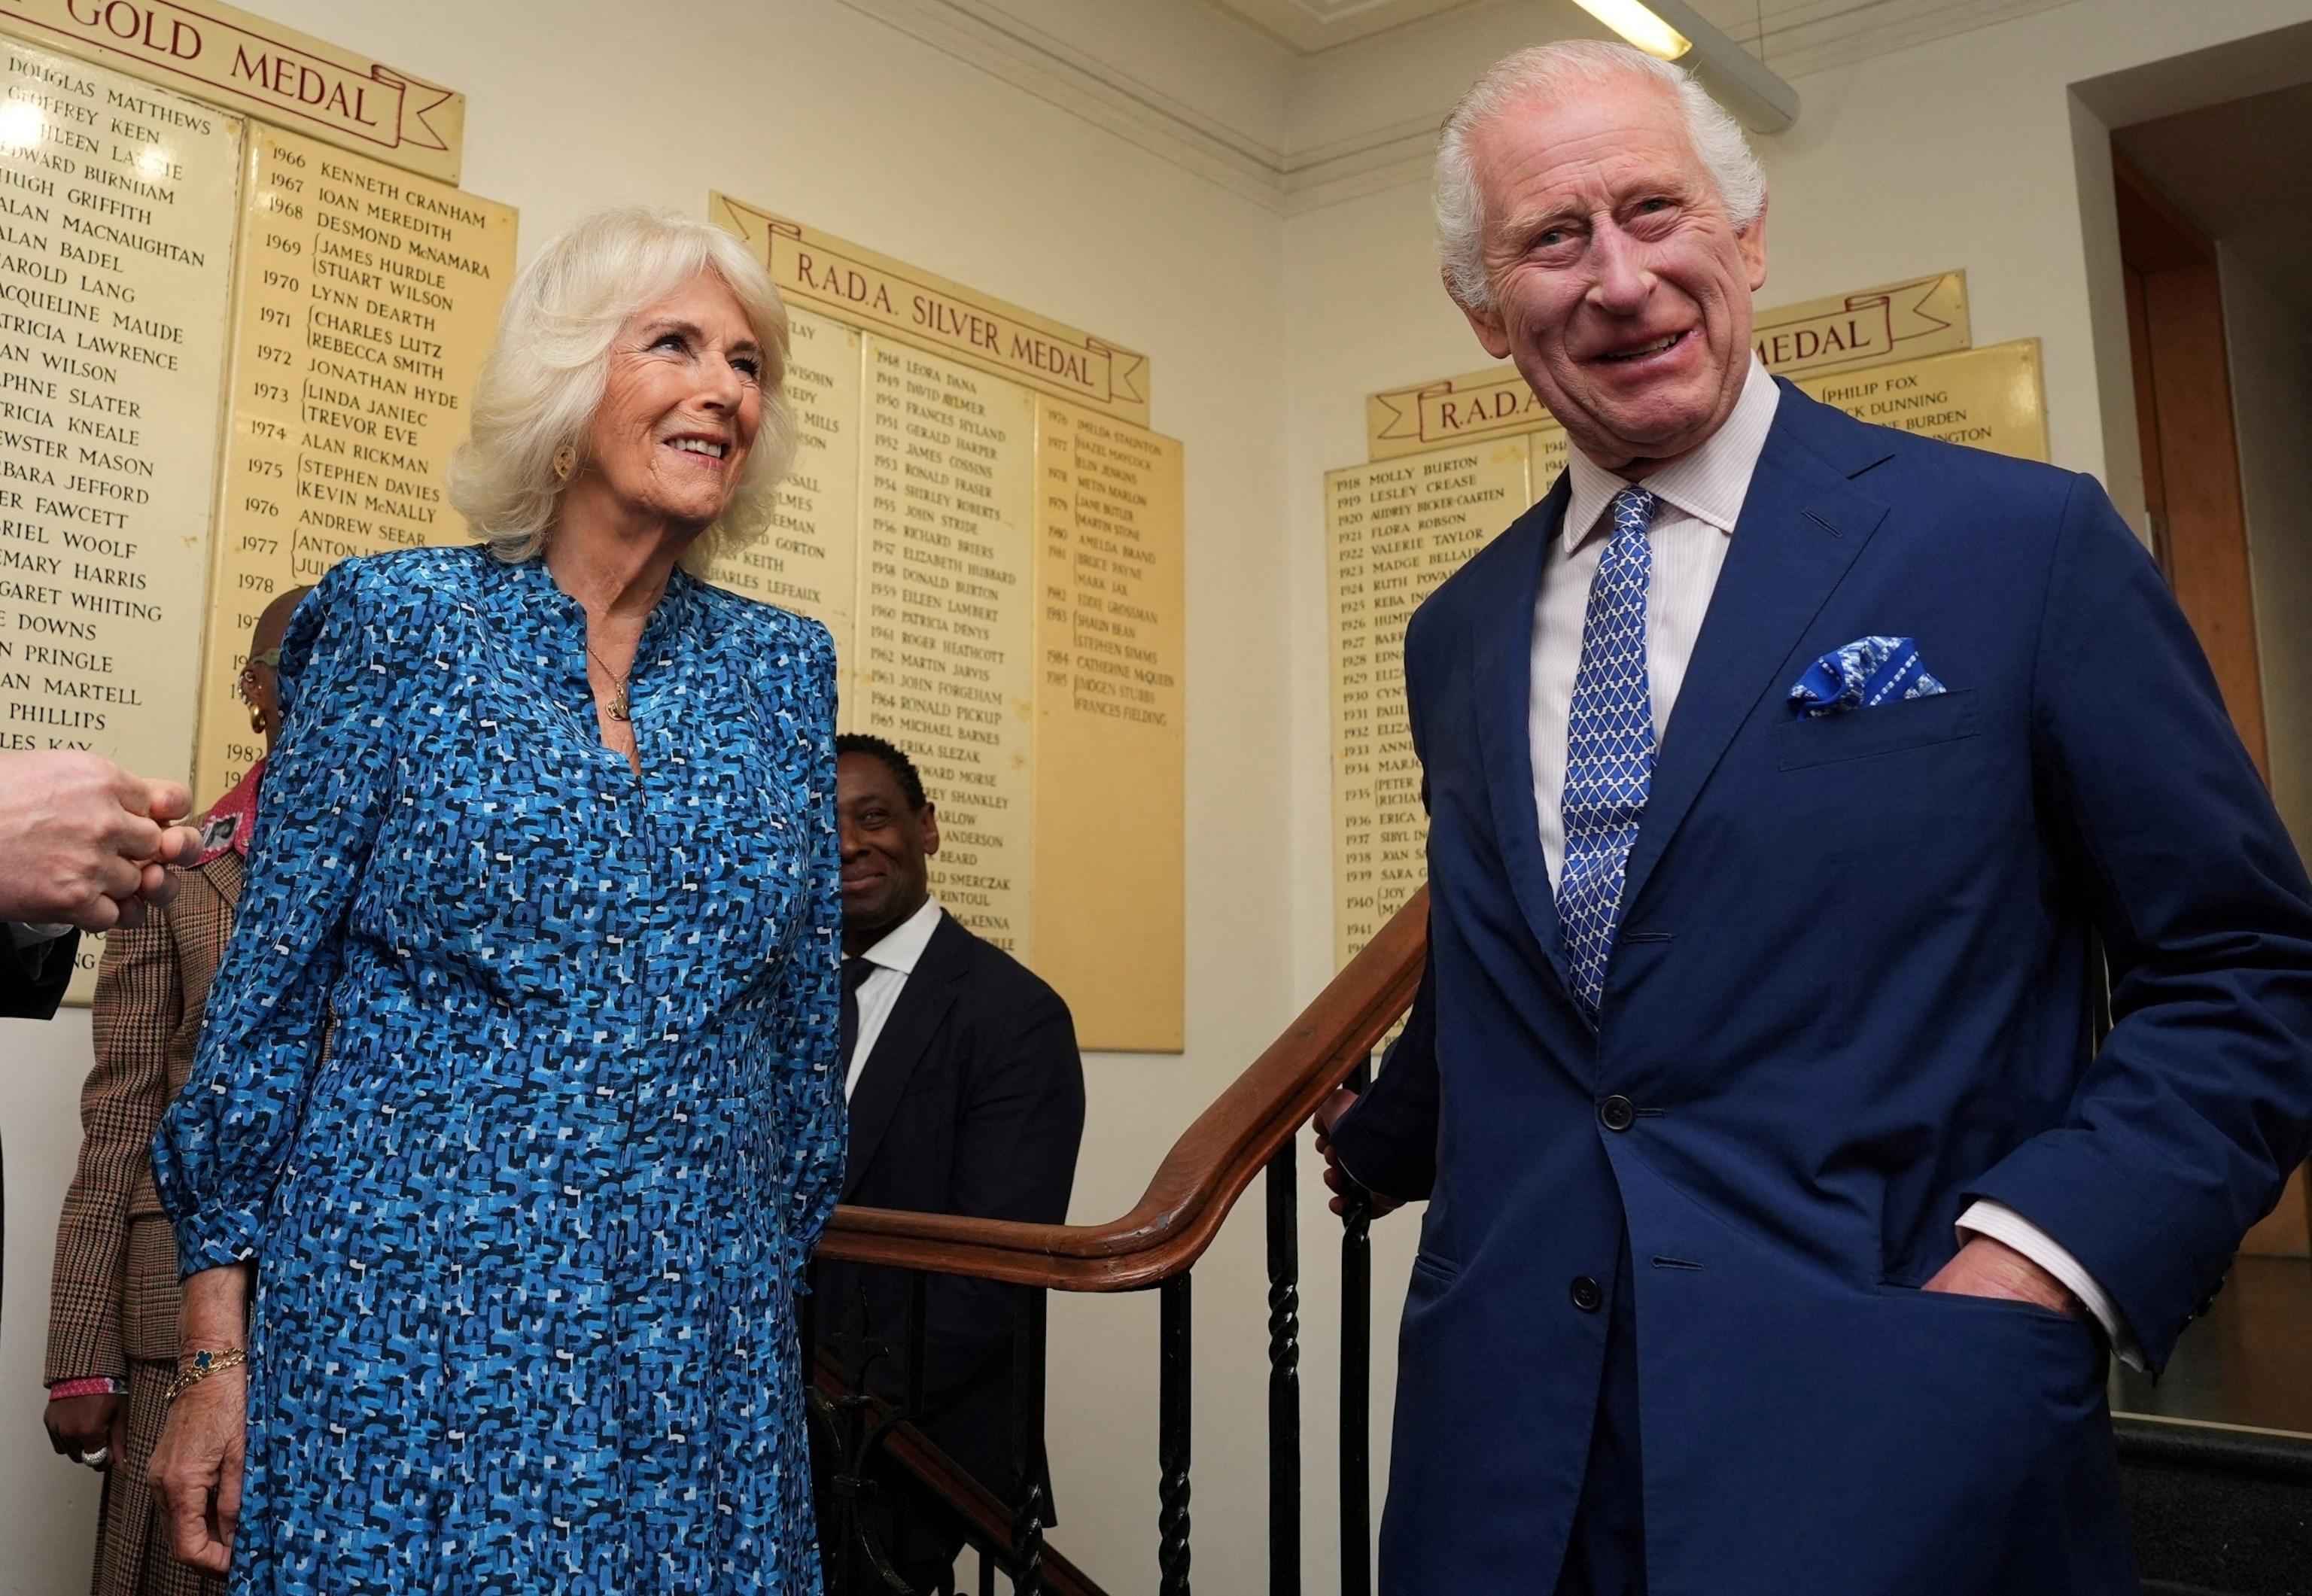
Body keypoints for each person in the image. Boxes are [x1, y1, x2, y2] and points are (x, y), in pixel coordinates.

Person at [1313, 40, 2312, 1596]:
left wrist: (2036, 1265)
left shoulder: (2015, 545)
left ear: (1748, 232)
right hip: (1506, 1472)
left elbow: (2247, 967)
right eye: (1553, 239)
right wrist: (1390, 1133)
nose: (1620, 279)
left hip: (1897, 1436)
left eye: (1656, 210)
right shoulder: (1456, 630)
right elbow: (1543, 948)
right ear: (1483, 308)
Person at [144, 206, 847, 1594]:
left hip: (693, 1336)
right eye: (676, 345)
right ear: (571, 387)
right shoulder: (397, 625)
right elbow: (269, 1006)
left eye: (749, 363)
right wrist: (217, 1355)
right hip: (411, 1328)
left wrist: (740, 1269)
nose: (724, 387)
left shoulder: (785, 673)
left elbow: (801, 1027)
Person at [42, 585, 309, 1596]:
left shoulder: (424, 867)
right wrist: (78, 1352)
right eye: (298, 661)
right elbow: (120, 1114)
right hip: (174, 1319)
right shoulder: (182, 867)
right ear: (254, 689)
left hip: (360, 1309)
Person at [811, 734, 1084, 1591]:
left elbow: (990, 1276)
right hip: (755, 1433)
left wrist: (840, 1413)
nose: (850, 842)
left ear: (927, 828)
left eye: (876, 817)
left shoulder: (1015, 1016)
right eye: (826, 823)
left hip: (905, 1449)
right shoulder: (780, 1003)